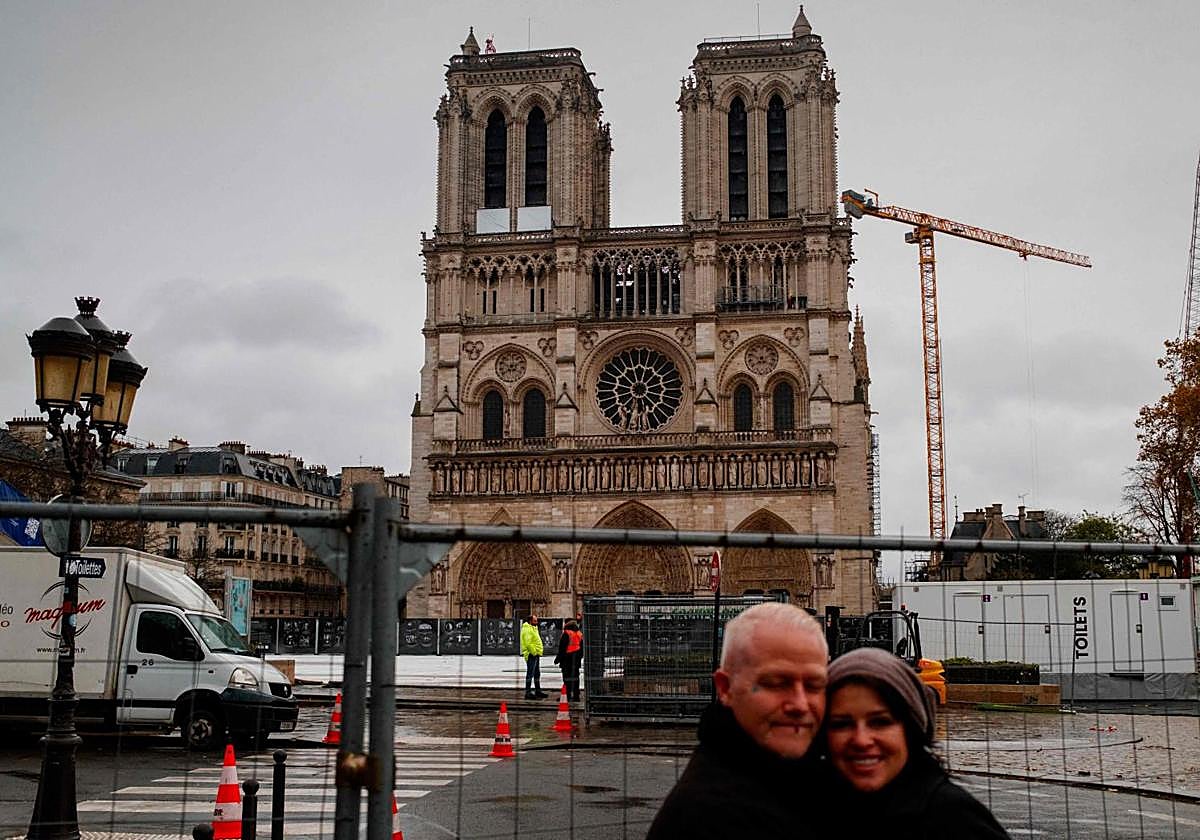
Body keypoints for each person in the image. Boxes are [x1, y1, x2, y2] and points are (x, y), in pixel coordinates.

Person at [646, 602, 830, 839]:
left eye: (815, 685)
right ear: (725, 688)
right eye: (775, 683)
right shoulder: (710, 819)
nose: (800, 705)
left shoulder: (798, 774)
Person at [822, 647, 1011, 839]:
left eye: (880, 722)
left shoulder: (954, 820)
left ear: (912, 730)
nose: (861, 740)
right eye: (842, 724)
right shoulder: (805, 813)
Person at [554, 618, 583, 701]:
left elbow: (562, 648)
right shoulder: (579, 633)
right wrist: (579, 657)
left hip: (567, 660)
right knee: (575, 678)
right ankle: (576, 696)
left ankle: (567, 695)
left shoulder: (567, 633)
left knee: (566, 678)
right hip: (576, 660)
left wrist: (558, 659)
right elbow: (582, 648)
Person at [520, 614, 547, 699]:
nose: (537, 622)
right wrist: (534, 652)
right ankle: (528, 692)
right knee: (530, 673)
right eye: (535, 621)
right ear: (530, 621)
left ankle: (537, 690)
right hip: (531, 655)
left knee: (536, 673)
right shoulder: (527, 629)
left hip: (535, 654)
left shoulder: (533, 628)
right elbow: (528, 643)